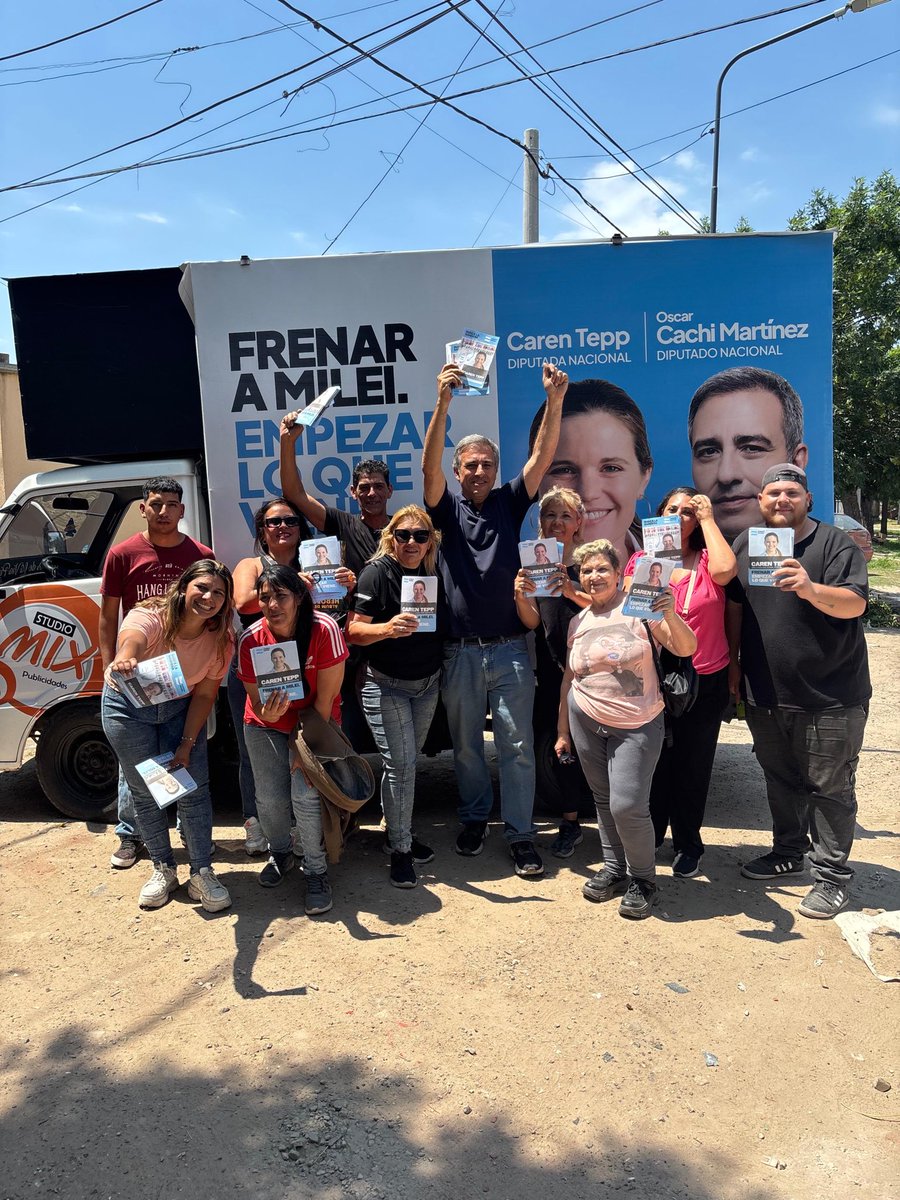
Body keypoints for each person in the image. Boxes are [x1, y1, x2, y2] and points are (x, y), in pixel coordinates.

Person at [423, 361, 566, 878]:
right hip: (459, 652)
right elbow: (427, 470)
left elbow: (543, 456)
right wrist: (442, 405)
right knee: (465, 750)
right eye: (470, 466)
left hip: (510, 649)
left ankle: (522, 835)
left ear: (494, 468)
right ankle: (474, 819)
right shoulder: (444, 511)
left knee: (518, 747)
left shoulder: (510, 501)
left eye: (486, 464)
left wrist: (554, 400)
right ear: (458, 472)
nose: (478, 472)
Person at [727, 464, 870, 920]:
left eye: (791, 492)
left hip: (831, 694)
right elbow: (734, 609)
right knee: (780, 780)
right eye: (772, 493)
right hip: (766, 692)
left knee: (830, 787)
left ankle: (831, 877)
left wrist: (809, 589)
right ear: (760, 501)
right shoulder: (747, 546)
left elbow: (856, 603)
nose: (781, 500)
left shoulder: (834, 545)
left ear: (808, 499)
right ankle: (788, 851)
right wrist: (733, 665)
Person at [556, 540, 697, 919]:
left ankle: (644, 879)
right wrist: (562, 730)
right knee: (602, 801)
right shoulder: (578, 620)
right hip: (585, 717)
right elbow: (569, 677)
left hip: (638, 722)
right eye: (586, 570)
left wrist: (670, 613)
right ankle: (615, 867)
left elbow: (685, 648)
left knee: (627, 805)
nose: (594, 576)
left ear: (619, 575)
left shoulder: (641, 608)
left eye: (602, 569)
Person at [101, 560, 235, 912]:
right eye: (202, 588)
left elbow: (206, 695)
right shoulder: (153, 615)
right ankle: (163, 867)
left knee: (191, 788)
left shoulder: (221, 639)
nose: (209, 597)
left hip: (178, 709)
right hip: (128, 708)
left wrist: (187, 744)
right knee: (145, 791)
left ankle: (201, 873)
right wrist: (126, 658)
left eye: (218, 593)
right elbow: (132, 637)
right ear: (184, 587)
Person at [101, 477, 215, 871]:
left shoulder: (200, 555)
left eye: (171, 504)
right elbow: (111, 615)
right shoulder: (122, 554)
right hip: (135, 676)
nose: (164, 511)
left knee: (181, 759)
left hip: (181, 681)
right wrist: (111, 662)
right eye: (155, 503)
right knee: (135, 766)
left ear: (182, 510)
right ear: (143, 509)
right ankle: (130, 834)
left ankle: (189, 832)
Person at [625, 488, 737, 878]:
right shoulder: (642, 560)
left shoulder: (708, 560)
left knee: (694, 763)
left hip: (705, 677)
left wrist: (709, 518)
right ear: (658, 516)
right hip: (655, 678)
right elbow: (633, 611)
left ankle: (689, 842)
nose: (678, 517)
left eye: (687, 512)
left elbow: (727, 573)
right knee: (655, 762)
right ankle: (653, 836)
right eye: (671, 510)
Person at [238, 564, 348, 915]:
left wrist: (305, 749)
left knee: (305, 795)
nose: (272, 605)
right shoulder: (251, 639)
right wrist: (267, 714)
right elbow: (256, 703)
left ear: (299, 597)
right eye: (265, 597)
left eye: (281, 596)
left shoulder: (324, 629)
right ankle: (281, 852)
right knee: (269, 800)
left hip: (315, 722)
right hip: (265, 726)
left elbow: (326, 702)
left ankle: (315, 871)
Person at [347, 507, 444, 888]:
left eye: (420, 536)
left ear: (430, 541)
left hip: (427, 684)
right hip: (385, 684)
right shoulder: (378, 572)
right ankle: (401, 850)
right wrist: (387, 629)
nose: (412, 543)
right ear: (391, 537)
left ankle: (395, 832)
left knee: (403, 766)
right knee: (401, 767)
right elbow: (353, 631)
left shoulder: (433, 573)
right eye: (403, 535)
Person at [230, 497, 313, 857]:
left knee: (303, 747)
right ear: (262, 531)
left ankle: (294, 826)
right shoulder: (250, 564)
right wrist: (294, 584)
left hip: (306, 666)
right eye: (273, 522)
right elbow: (243, 602)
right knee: (255, 753)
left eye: (290, 521)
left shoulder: (314, 559)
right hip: (255, 667)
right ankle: (254, 822)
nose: (282, 527)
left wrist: (341, 582)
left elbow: (332, 605)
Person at [514, 486, 592, 857]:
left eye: (565, 515)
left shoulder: (593, 559)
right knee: (562, 750)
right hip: (552, 671)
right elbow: (531, 623)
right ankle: (570, 822)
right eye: (550, 515)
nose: (557, 522)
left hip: (594, 673)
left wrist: (573, 589)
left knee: (598, 748)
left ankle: (613, 826)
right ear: (540, 523)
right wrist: (521, 596)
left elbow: (613, 605)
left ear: (578, 522)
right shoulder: (533, 564)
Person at [530, 378, 653, 561]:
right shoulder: (511, 575)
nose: (587, 493)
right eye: (564, 470)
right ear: (535, 480)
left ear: (644, 477)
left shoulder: (678, 572)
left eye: (611, 468)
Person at [688, 367, 808, 542]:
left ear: (797, 462)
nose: (726, 475)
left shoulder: (831, 554)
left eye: (752, 448)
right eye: (709, 452)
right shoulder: (669, 564)